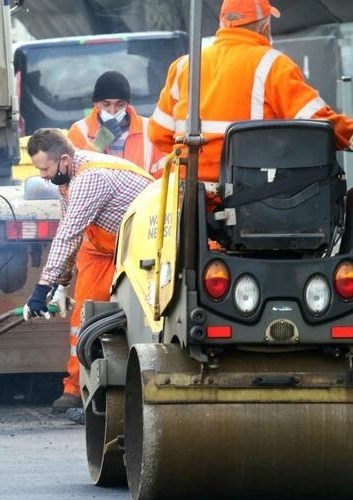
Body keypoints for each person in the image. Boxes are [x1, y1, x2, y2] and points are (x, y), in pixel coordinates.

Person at [148, 0, 353, 185]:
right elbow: (319, 123)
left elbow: (158, 134)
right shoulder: (274, 65)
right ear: (264, 26)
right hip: (250, 197)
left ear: (223, 23)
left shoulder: (184, 65)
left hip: (188, 195)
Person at [22, 128, 152, 413]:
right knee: (84, 317)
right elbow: (73, 233)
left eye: (45, 168)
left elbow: (67, 235)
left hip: (140, 247)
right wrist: (60, 282)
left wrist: (41, 289)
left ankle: (123, 391)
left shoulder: (90, 179)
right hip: (102, 247)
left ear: (64, 159)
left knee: (133, 318)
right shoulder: (66, 179)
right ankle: (76, 388)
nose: (42, 175)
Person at [69, 71, 165, 177]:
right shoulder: (79, 131)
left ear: (128, 104)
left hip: (143, 193)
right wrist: (97, 146)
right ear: (95, 103)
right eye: (106, 104)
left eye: (120, 104)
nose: (112, 111)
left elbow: (163, 176)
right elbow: (73, 177)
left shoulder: (150, 129)